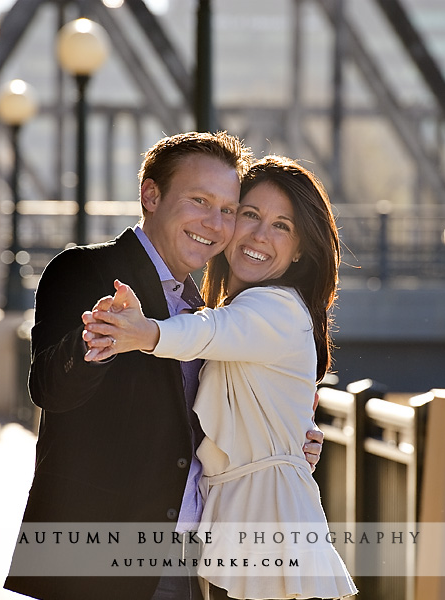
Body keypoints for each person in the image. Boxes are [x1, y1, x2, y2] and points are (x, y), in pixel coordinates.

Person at [3, 132, 324, 600]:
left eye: (228, 210)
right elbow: (50, 389)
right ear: (150, 195)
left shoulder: (209, 311)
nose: (214, 223)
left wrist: (280, 441)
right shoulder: (84, 271)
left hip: (189, 558)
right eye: (199, 200)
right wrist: (99, 338)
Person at [83, 156, 357, 599]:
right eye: (249, 215)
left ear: (302, 248)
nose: (259, 235)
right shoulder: (244, 309)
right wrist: (288, 438)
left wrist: (143, 332)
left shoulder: (277, 307)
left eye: (282, 226)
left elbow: (208, 333)